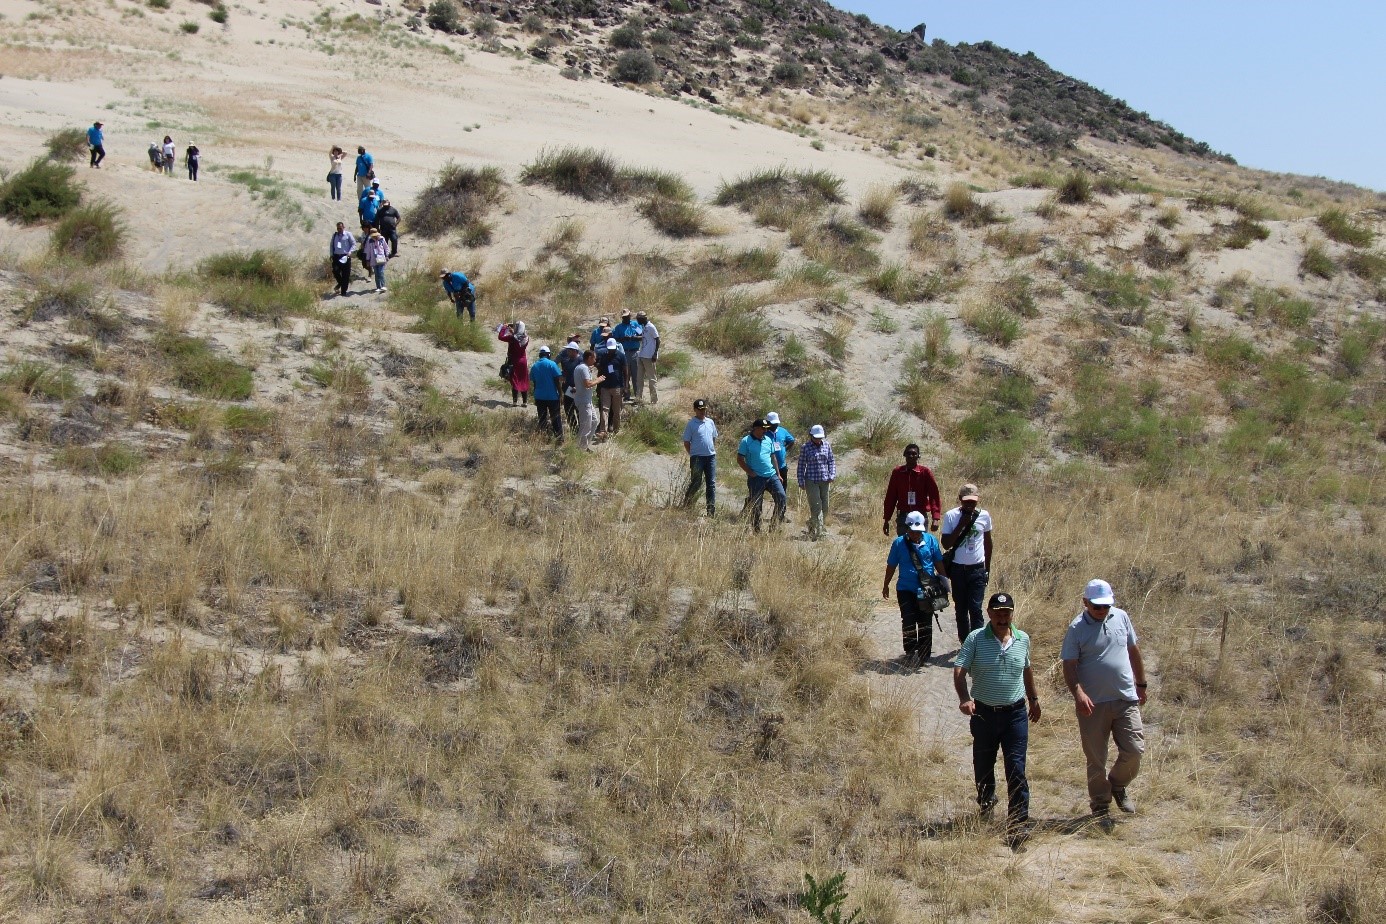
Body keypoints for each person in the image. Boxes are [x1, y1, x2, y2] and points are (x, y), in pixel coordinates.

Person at [954, 592, 1041, 832]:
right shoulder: (975, 639)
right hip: (984, 714)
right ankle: (986, 802)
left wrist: (1033, 700)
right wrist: (964, 698)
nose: (1002, 618)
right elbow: (960, 669)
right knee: (983, 765)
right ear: (989, 613)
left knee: (1016, 767)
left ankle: (1018, 822)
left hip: (1015, 714)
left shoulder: (1022, 639)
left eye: (1007, 613)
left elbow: (1027, 669)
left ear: (1012, 613)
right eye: (998, 613)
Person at [1061, 579, 1148, 818]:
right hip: (1093, 704)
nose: (1101, 611)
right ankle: (1100, 803)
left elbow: (1133, 650)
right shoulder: (1077, 628)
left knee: (1135, 750)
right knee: (1096, 758)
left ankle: (1118, 785)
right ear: (1085, 603)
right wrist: (1078, 694)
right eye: (1096, 606)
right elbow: (1069, 665)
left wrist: (1141, 683)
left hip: (1125, 697)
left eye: (1106, 606)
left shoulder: (1121, 617)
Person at [882, 511, 945, 666]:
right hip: (905, 589)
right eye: (913, 531)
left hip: (926, 589)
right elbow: (891, 565)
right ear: (907, 528)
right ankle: (910, 652)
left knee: (925, 621)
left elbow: (938, 562)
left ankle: (924, 655)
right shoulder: (898, 543)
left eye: (919, 531)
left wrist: (945, 581)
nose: (916, 534)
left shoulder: (931, 541)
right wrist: (886, 584)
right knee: (908, 620)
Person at [942, 483, 993, 646]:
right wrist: (961, 525)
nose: (970, 504)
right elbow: (946, 544)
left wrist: (987, 569)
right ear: (960, 500)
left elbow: (988, 543)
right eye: (966, 501)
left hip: (977, 569)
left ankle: (977, 645)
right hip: (958, 570)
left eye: (973, 501)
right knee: (961, 609)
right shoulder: (951, 516)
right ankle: (965, 643)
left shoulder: (984, 515)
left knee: (976, 609)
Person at [737, 419, 787, 534]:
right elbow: (740, 459)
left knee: (781, 497)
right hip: (756, 478)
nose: (765, 430)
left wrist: (778, 474)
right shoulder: (746, 441)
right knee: (756, 504)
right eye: (763, 428)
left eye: (766, 428)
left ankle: (774, 526)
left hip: (771, 475)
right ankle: (756, 530)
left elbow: (773, 457)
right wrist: (750, 472)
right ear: (755, 428)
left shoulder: (768, 440)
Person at [882, 444, 942, 536]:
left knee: (919, 545)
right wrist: (887, 519)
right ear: (904, 454)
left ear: (918, 456)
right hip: (903, 516)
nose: (911, 456)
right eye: (908, 453)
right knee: (903, 546)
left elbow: (934, 495)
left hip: (920, 515)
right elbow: (891, 496)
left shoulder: (925, 472)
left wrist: (936, 518)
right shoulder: (898, 472)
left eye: (914, 454)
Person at [796, 425, 835, 541]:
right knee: (816, 506)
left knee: (825, 507)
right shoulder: (805, 447)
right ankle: (820, 532)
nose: (818, 440)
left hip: (825, 480)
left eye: (820, 437)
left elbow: (831, 461)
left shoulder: (827, 445)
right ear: (811, 436)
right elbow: (801, 465)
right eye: (816, 437)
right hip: (811, 481)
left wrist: (832, 474)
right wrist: (800, 480)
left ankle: (811, 524)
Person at [681, 398, 718, 517]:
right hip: (697, 458)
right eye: (700, 410)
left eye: (704, 409)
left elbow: (713, 438)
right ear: (695, 410)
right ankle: (687, 504)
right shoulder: (691, 424)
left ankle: (711, 511)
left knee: (711, 484)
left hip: (710, 457)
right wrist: (693, 453)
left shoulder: (710, 422)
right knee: (696, 482)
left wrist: (710, 448)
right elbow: (686, 442)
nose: (703, 412)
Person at [529, 346, 564, 442]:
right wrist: (561, 394)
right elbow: (557, 380)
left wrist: (535, 396)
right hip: (552, 396)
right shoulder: (552, 364)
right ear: (549, 354)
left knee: (542, 418)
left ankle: (544, 437)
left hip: (539, 396)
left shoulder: (534, 366)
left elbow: (534, 382)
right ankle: (559, 439)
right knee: (556, 418)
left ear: (540, 355)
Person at [595, 337, 626, 437]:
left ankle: (616, 429)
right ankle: (603, 430)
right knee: (605, 409)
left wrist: (626, 385)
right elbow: (600, 371)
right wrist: (599, 386)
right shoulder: (603, 357)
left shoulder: (621, 356)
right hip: (605, 386)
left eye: (613, 349)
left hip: (617, 386)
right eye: (609, 349)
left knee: (616, 410)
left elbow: (625, 371)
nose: (611, 350)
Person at [497, 321, 532, 407]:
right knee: (523, 380)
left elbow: (500, 337)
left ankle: (515, 402)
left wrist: (504, 327)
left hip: (514, 361)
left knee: (515, 379)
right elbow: (518, 337)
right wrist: (513, 332)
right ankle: (524, 402)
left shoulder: (512, 338)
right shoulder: (526, 337)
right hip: (523, 361)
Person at [574, 349, 603, 451]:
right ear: (589, 358)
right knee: (585, 426)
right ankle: (580, 449)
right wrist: (598, 380)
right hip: (583, 401)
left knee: (594, 421)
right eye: (594, 358)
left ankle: (584, 445)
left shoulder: (581, 367)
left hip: (586, 400)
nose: (595, 360)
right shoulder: (583, 369)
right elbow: (587, 384)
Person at [612, 309, 643, 401]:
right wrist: (623, 339)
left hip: (635, 351)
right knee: (626, 374)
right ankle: (627, 394)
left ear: (630, 316)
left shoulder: (635, 325)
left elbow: (641, 335)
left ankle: (638, 395)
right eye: (624, 317)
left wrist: (633, 338)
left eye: (627, 316)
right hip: (624, 352)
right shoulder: (618, 327)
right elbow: (615, 339)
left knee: (636, 374)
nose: (626, 318)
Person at [635, 310, 659, 404]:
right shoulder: (644, 327)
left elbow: (657, 340)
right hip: (642, 354)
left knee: (652, 379)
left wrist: (655, 354)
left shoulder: (651, 327)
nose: (637, 321)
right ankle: (638, 398)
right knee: (639, 379)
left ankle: (654, 399)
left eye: (638, 319)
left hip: (649, 356)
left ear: (642, 319)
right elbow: (643, 338)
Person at [765, 412, 795, 487]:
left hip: (782, 466)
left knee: (782, 489)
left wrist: (785, 449)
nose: (775, 425)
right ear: (768, 423)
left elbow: (791, 440)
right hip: (768, 467)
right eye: (773, 424)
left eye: (776, 423)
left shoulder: (782, 431)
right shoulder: (764, 432)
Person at [559, 340, 583, 432]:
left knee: (579, 411)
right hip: (567, 390)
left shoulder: (581, 361)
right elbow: (564, 374)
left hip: (578, 390)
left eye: (569, 350)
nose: (567, 352)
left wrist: (578, 387)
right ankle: (574, 430)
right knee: (568, 411)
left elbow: (585, 376)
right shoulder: (566, 361)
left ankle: (581, 430)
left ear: (574, 351)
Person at [329, 222, 356, 297]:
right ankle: (340, 283)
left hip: (345, 256)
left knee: (345, 275)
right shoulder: (335, 235)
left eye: (340, 228)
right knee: (335, 270)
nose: (339, 230)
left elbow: (354, 244)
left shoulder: (348, 234)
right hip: (337, 256)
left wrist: (350, 252)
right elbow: (331, 245)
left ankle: (343, 291)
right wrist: (331, 254)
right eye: (338, 228)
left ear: (343, 227)